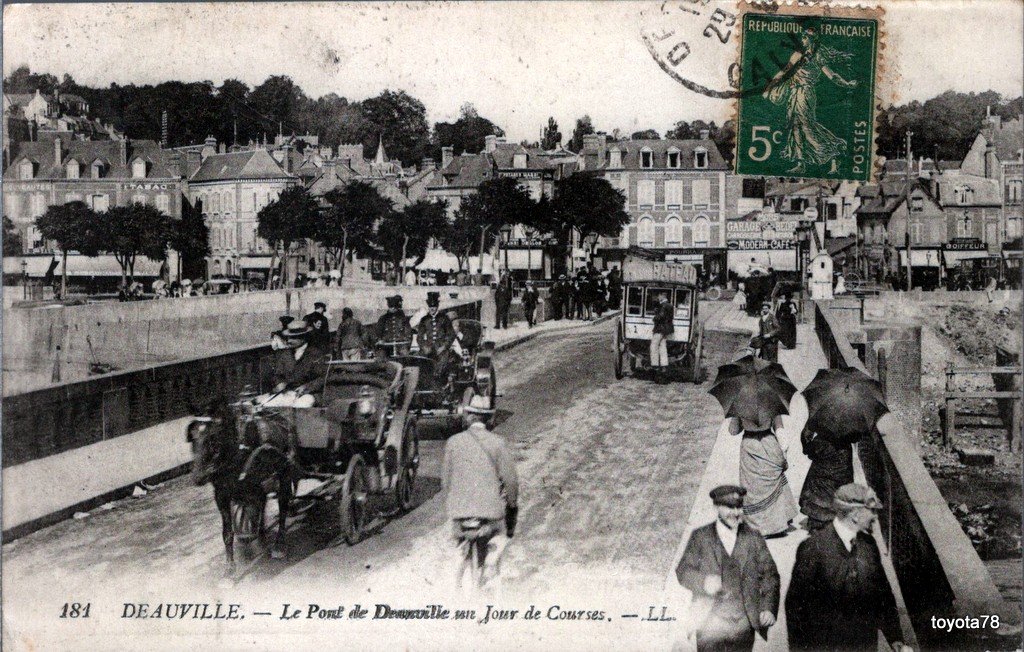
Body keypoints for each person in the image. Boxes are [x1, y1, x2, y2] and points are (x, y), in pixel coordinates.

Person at [786, 483, 909, 652]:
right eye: (872, 511)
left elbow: (883, 595)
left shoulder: (869, 546)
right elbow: (796, 608)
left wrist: (896, 638)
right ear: (856, 515)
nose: (875, 517)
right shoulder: (813, 548)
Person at [676, 485, 780, 652]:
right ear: (716, 507)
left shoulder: (753, 538)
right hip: (709, 622)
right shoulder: (700, 537)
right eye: (729, 507)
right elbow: (683, 570)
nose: (735, 512)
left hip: (743, 623)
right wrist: (704, 582)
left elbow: (770, 574)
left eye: (738, 507)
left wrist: (768, 607)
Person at [442, 394, 519, 589]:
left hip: (460, 513)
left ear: (468, 417)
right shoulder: (498, 443)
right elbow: (511, 481)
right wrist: (512, 505)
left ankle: (460, 561)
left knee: (459, 542)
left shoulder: (453, 442)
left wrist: (454, 504)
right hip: (489, 513)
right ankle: (491, 562)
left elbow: (446, 482)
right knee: (502, 533)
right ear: (488, 419)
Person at [730, 415, 798, 537]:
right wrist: (784, 452)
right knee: (772, 484)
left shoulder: (739, 404)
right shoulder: (771, 401)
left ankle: (759, 527)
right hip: (769, 444)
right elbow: (779, 429)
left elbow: (733, 431)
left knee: (752, 487)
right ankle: (777, 524)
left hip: (749, 445)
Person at [798, 426, 854, 531]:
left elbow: (806, 443)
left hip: (823, 449)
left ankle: (819, 520)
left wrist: (807, 444)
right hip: (843, 458)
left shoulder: (821, 418)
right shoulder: (847, 441)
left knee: (817, 480)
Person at [270, 324, 329, 400]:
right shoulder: (284, 354)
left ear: (303, 338)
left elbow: (322, 378)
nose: (289, 341)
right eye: (288, 337)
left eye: (293, 338)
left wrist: (307, 387)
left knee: (302, 405)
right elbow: (277, 375)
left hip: (309, 394)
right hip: (286, 393)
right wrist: (279, 383)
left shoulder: (316, 354)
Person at [416, 291, 458, 379]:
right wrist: (423, 346)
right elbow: (419, 337)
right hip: (428, 346)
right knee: (419, 359)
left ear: (437, 306)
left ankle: (437, 379)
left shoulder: (444, 318)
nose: (432, 309)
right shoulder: (424, 319)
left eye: (434, 306)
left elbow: (451, 334)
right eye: (431, 307)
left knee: (443, 359)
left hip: (441, 346)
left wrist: (444, 346)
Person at [651, 291, 674, 383]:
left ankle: (655, 366)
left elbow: (661, 316)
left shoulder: (663, 306)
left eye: (658, 295)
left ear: (662, 296)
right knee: (663, 348)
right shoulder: (670, 305)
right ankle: (664, 367)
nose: (658, 297)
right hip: (666, 330)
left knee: (654, 346)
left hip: (660, 329)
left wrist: (654, 317)